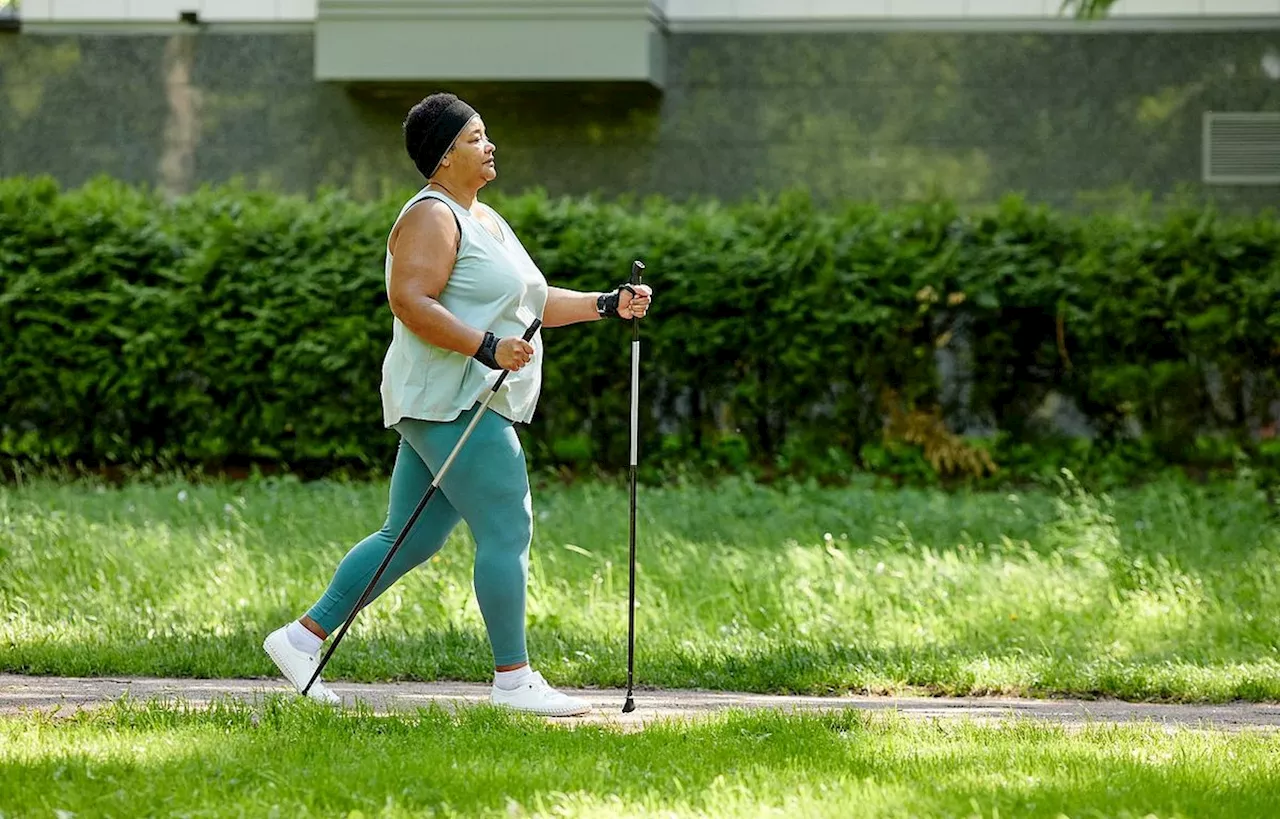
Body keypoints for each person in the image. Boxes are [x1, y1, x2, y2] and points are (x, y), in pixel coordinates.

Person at [262, 92, 653, 717]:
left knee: (408, 536)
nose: (489, 145)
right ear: (443, 158)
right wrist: (486, 347)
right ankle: (513, 680)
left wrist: (607, 303)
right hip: (452, 399)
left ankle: (300, 639)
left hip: (453, 398)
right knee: (507, 523)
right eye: (474, 138)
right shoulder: (431, 217)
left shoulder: (486, 219)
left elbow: (534, 302)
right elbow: (410, 300)